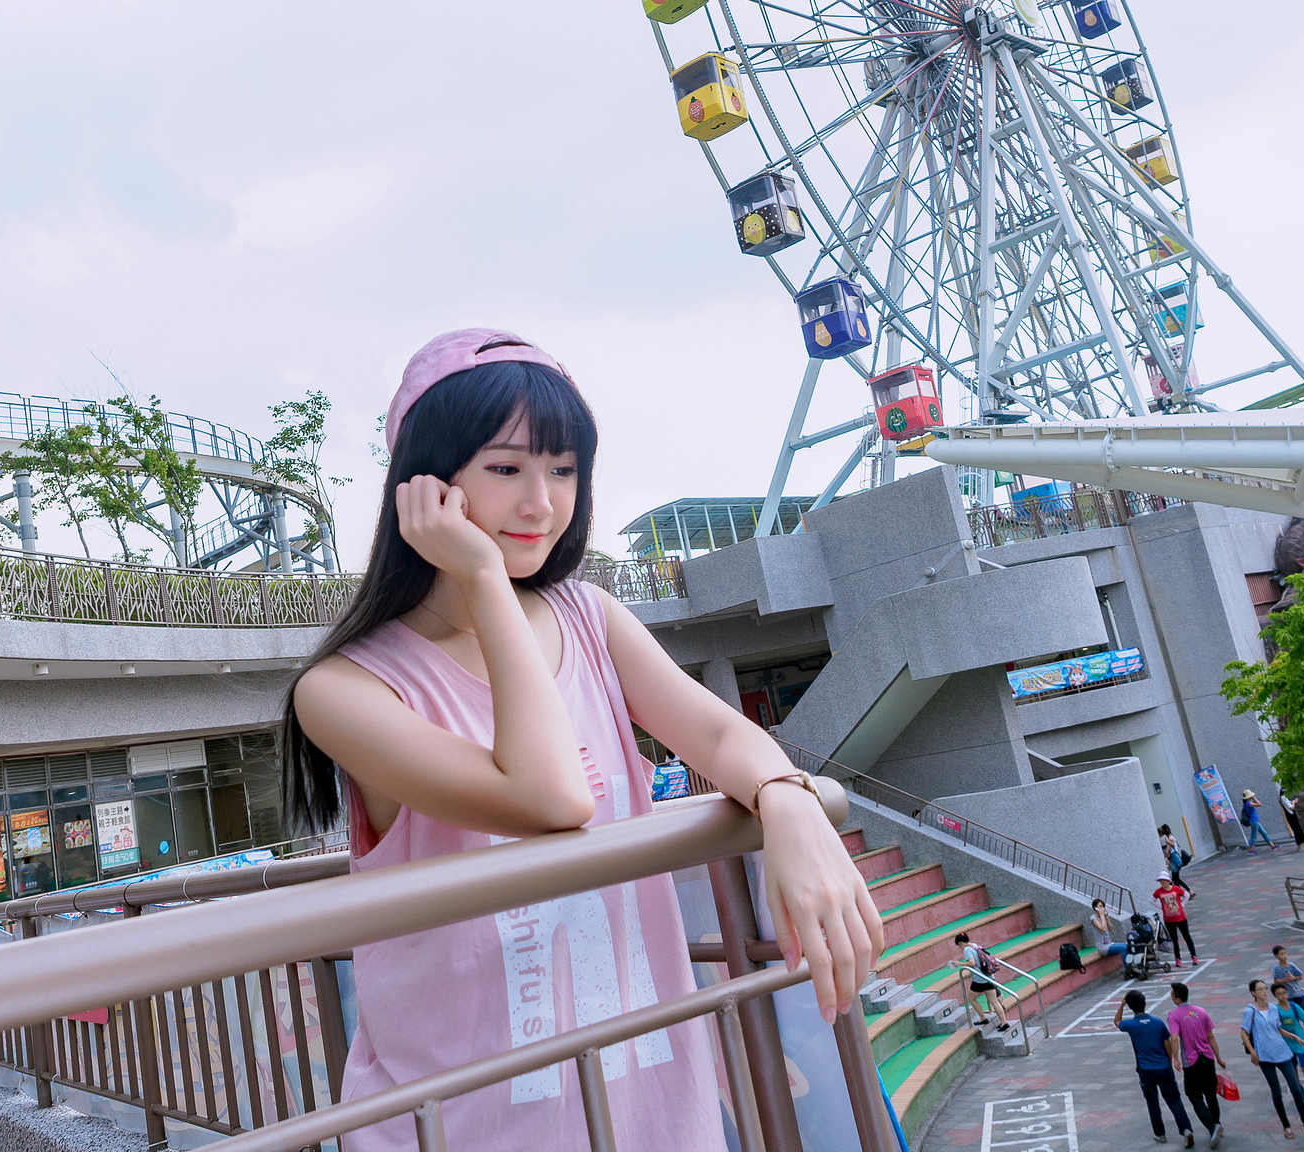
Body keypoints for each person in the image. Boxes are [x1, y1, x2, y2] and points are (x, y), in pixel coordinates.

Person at [284, 330, 882, 1151]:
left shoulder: (588, 615)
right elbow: (550, 798)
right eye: (506, 468)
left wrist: (789, 802)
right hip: (462, 1121)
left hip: (649, 1108)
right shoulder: (346, 691)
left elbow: (712, 730)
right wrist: (484, 579)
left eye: (563, 470)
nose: (542, 503)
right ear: (423, 486)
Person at [1242, 978, 1304, 1143]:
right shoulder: (1250, 1011)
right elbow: (1243, 1032)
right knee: (1276, 1092)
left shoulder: (1273, 1009)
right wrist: (1252, 1052)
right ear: (1253, 993)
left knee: (1296, 1090)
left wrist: (1293, 1036)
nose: (1264, 992)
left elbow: (1277, 1028)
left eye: (1265, 988)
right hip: (1264, 1056)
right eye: (1260, 989)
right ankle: (1286, 1125)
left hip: (1282, 1052)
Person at [1115, 990, 1193, 1145]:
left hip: (1145, 1070)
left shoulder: (1131, 1025)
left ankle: (1160, 1133)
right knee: (1174, 1100)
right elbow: (1167, 1044)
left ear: (1131, 1007)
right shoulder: (1157, 1022)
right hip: (1163, 1067)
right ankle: (1186, 1129)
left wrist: (1121, 1005)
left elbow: (1117, 1021)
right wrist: (1170, 1062)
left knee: (1152, 1102)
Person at [1166, 980, 1225, 1149]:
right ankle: (1217, 1123)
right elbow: (1211, 1037)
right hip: (1207, 1058)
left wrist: (1175, 1058)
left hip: (1191, 1061)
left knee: (1194, 1095)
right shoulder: (1201, 1011)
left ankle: (1212, 1126)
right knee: (1210, 1093)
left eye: (1171, 994)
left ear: (1177, 999)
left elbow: (1175, 1037)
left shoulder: (1174, 1015)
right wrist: (1219, 1057)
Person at [1271, 982, 1304, 1109]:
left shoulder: (1293, 1006)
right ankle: (1299, 1088)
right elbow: (1275, 1027)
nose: (1282, 996)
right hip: (1287, 1045)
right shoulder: (1276, 1010)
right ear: (1275, 996)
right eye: (1279, 994)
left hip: (1300, 1043)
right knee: (1293, 1070)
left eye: (1284, 993)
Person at [954, 930, 1002, 1025]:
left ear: (960, 943)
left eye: (958, 945)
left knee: (971, 998)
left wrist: (960, 964)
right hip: (989, 976)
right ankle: (1004, 1022)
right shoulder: (975, 945)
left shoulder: (966, 949)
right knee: (994, 1001)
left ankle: (983, 1018)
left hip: (979, 980)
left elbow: (972, 963)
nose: (959, 947)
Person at [1154, 872, 1197, 965]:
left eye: (1163, 881)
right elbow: (1151, 900)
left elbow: (1186, 895)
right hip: (1169, 920)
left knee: (1187, 937)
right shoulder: (1159, 891)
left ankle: (1194, 956)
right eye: (1161, 881)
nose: (1162, 883)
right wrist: (1161, 907)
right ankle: (1178, 958)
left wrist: (1181, 906)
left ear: (1168, 881)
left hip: (1181, 918)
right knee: (1174, 939)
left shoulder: (1175, 889)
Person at [1269, 945, 1304, 1013]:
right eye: (1281, 954)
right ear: (1276, 956)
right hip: (1287, 994)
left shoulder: (1291, 965)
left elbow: (1300, 976)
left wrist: (1294, 978)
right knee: (1292, 1010)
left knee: (1302, 1009)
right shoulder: (1276, 968)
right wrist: (1284, 980)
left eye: (1285, 953)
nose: (1284, 956)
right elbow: (1275, 981)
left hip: (1298, 992)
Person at [1159, 824, 1194, 893]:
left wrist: (1166, 844)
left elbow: (1168, 849)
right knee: (1175, 879)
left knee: (1175, 879)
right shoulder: (1169, 837)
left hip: (1175, 860)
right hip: (1174, 860)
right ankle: (1182, 893)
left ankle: (1187, 892)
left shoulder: (1169, 838)